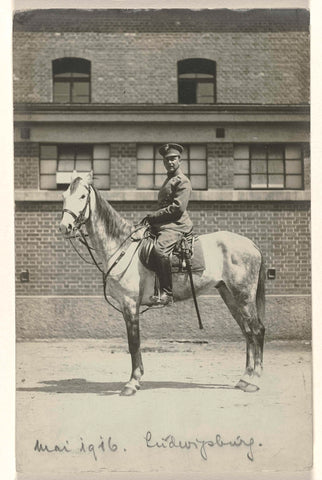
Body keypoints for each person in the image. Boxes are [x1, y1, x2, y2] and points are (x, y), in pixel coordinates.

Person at [142, 143, 193, 306]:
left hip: (177, 224)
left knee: (160, 249)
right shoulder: (168, 180)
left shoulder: (183, 181)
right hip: (165, 223)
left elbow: (177, 209)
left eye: (173, 159)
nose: (170, 162)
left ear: (180, 160)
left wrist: (154, 216)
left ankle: (167, 293)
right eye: (167, 160)